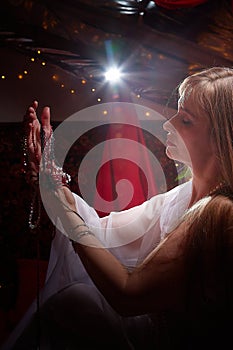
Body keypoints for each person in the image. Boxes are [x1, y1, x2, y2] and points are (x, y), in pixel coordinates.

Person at [3, 66, 233, 349]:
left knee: (75, 303)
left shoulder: (221, 210)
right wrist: (53, 186)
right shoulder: (179, 197)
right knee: (74, 301)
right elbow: (104, 233)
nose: (167, 124)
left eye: (185, 120)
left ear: (220, 137)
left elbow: (128, 295)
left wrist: (62, 209)